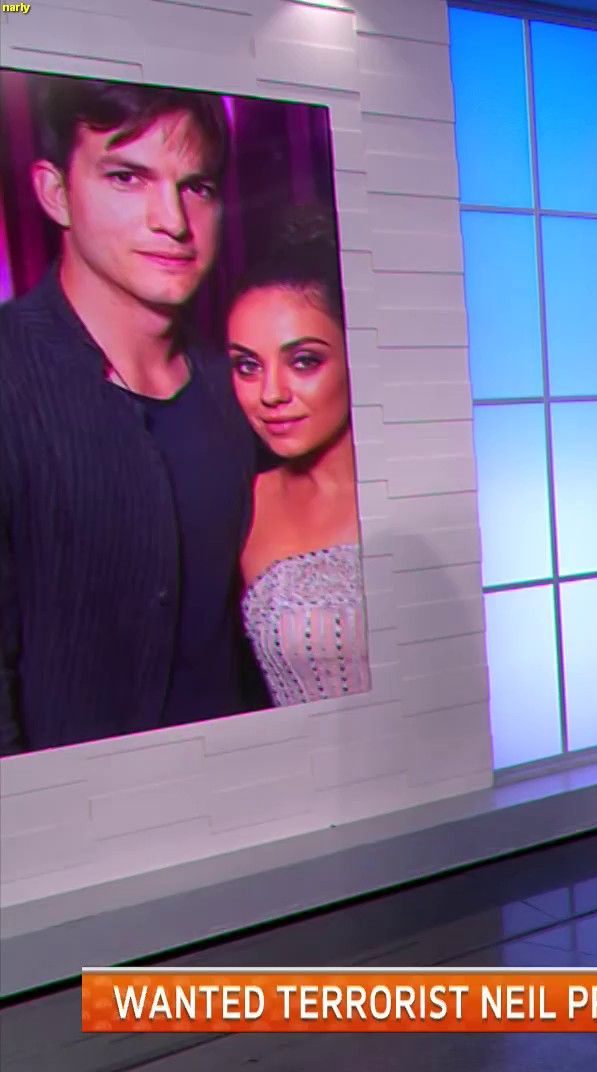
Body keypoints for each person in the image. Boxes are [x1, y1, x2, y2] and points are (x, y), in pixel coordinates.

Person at [0, 76, 258, 755]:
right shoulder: (10, 379)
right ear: (55, 192)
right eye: (127, 177)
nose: (172, 221)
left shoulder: (239, 386)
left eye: (196, 187)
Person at [227, 207, 370, 707]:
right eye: (247, 366)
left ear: (358, 357)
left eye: (304, 361)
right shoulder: (245, 506)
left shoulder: (429, 487)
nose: (271, 393)